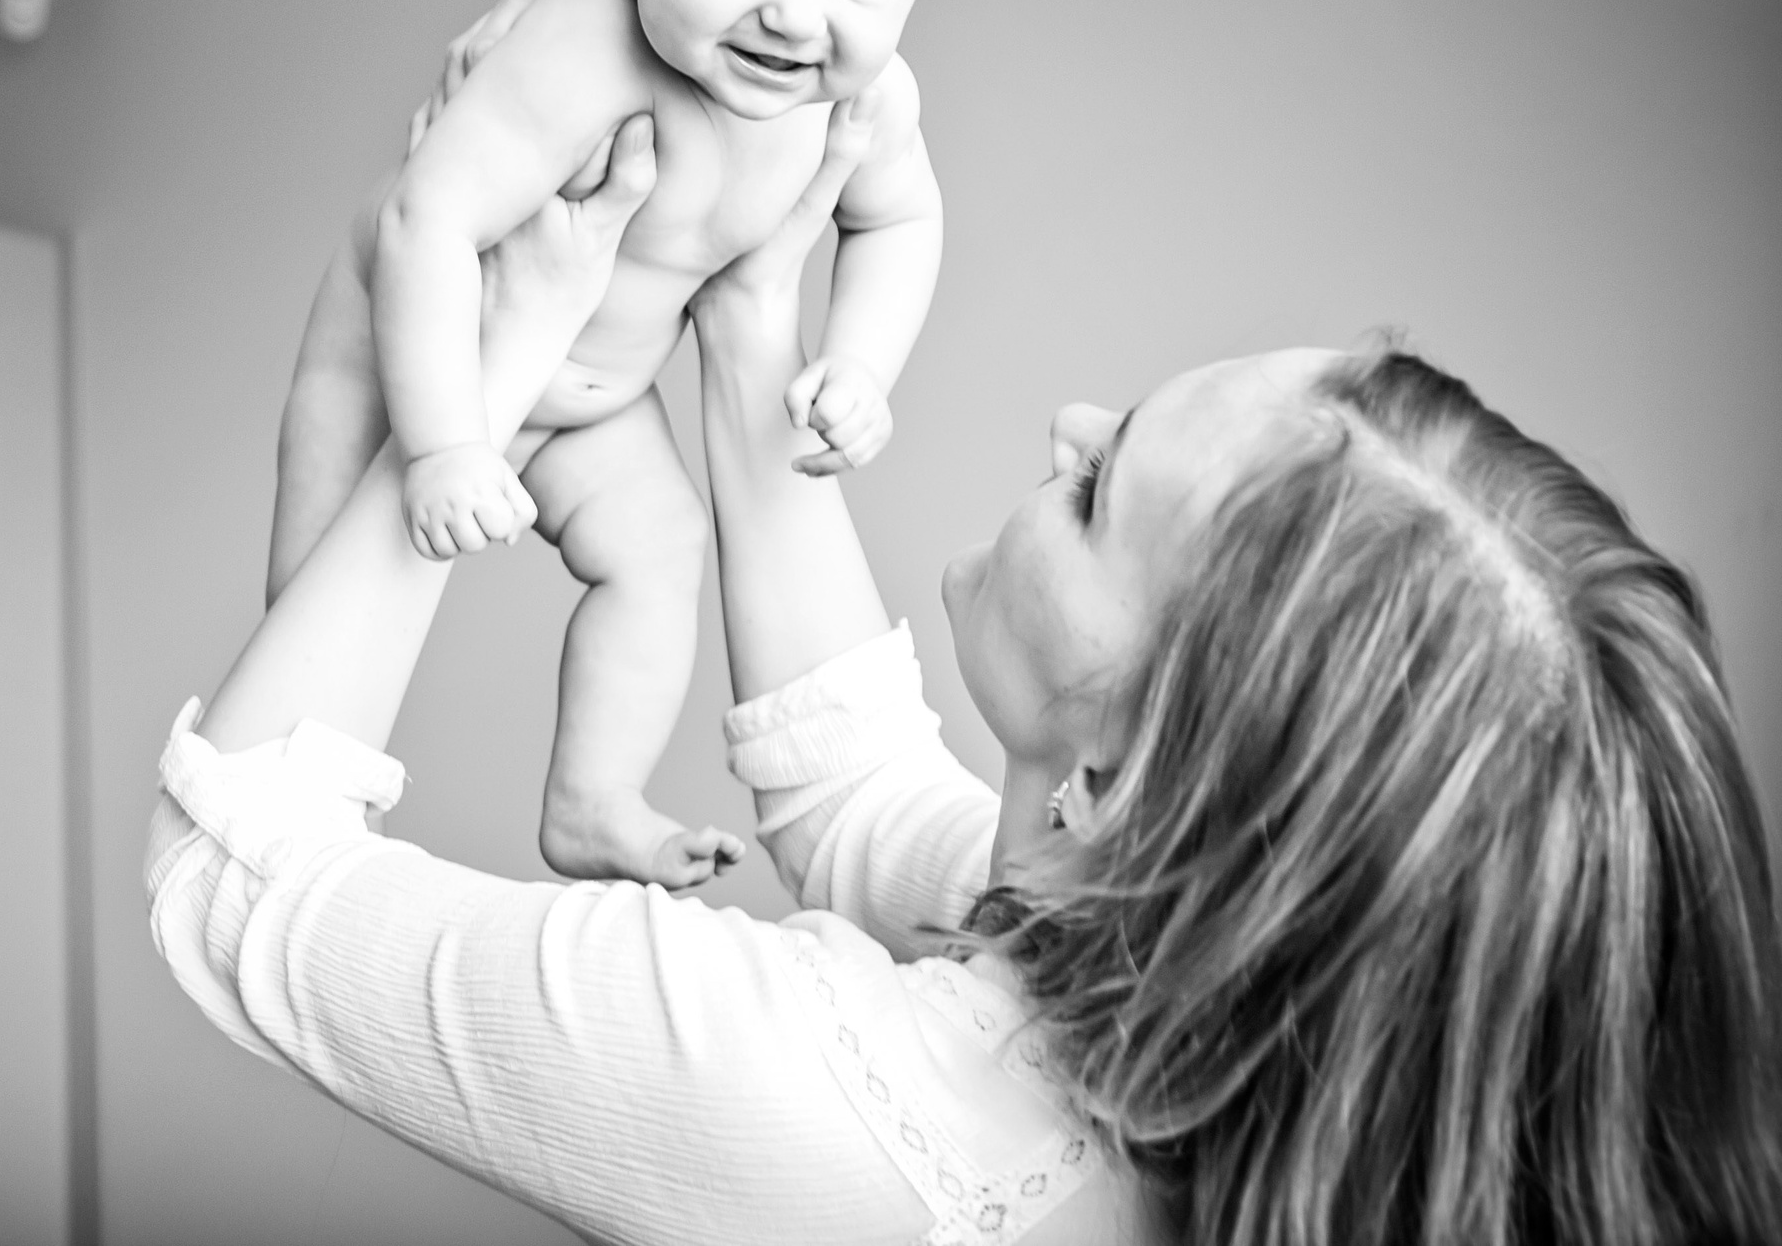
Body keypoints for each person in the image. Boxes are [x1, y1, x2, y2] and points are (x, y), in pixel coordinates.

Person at [153, 99, 1782, 1238]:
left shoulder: (821, 1117)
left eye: (1101, 483)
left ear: (1111, 789)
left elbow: (231, 878)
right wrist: (748, 308)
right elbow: (859, 790)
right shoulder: (1189, 998)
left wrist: (494, 353)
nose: (1071, 423)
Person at [268, 0, 961, 889]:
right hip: (407, 347)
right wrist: (442, 445)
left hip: (596, 395)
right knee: (323, 590)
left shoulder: (861, 105)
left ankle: (591, 803)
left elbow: (898, 222)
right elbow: (427, 226)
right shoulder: (575, 47)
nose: (798, 16)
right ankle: (293, 781)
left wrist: (859, 363)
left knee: (662, 548)